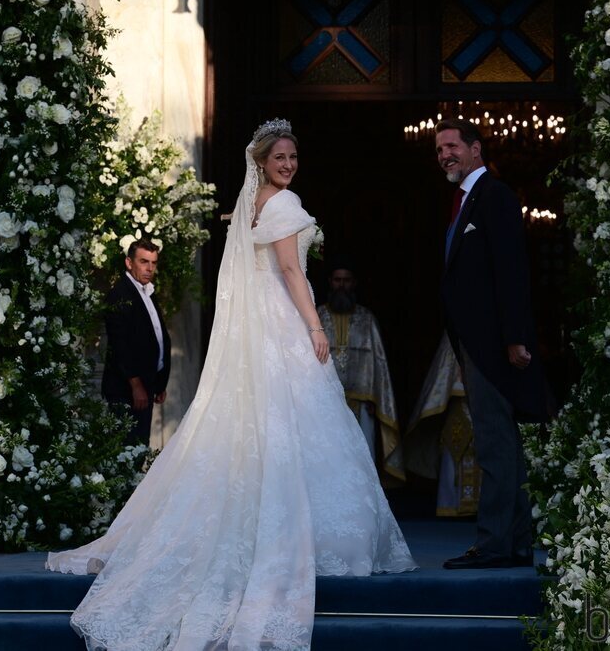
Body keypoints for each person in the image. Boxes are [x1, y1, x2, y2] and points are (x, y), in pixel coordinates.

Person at [48, 118, 416, 650]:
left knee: (268, 424)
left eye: (293, 157)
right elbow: (292, 272)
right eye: (280, 158)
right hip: (285, 321)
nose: (288, 165)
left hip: (260, 324)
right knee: (300, 420)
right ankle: (307, 538)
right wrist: (315, 326)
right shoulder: (283, 206)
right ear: (262, 162)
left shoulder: (253, 204)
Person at [435, 118, 547, 570]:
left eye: (452, 146)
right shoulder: (461, 201)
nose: (445, 155)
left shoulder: (495, 196)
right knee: (502, 443)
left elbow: (511, 268)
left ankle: (495, 544)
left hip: (494, 344)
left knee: (495, 443)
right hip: (474, 344)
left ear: (475, 149)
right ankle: (516, 541)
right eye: (439, 149)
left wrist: (516, 338)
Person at [316, 261, 405, 481]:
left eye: (346, 280)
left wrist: (377, 398)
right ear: (330, 282)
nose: (342, 285)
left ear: (354, 283)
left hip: (362, 402)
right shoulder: (317, 317)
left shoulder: (367, 319)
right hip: (325, 401)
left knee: (362, 457)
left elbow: (379, 364)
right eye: (337, 280)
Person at [100, 239, 172, 446]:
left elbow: (156, 336)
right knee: (126, 450)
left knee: (139, 447)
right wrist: (136, 385)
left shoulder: (147, 292)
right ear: (129, 263)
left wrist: (160, 383)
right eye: (143, 261)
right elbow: (120, 345)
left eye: (153, 263)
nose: (149, 268)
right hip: (127, 390)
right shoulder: (119, 295)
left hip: (147, 386)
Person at [404, 331, 481, 517]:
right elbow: (442, 377)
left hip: (482, 404)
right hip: (458, 405)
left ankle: (481, 507)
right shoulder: (452, 335)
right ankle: (451, 506)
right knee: (454, 449)